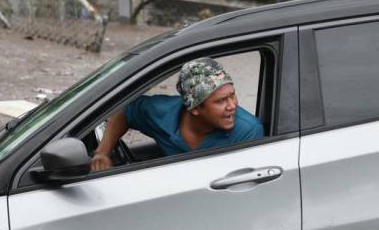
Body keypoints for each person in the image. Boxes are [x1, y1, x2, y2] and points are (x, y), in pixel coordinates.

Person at [90, 57, 264, 172]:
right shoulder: (160, 111)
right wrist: (103, 153)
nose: (232, 106)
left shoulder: (248, 131)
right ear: (195, 108)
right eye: (221, 101)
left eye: (232, 95)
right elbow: (124, 110)